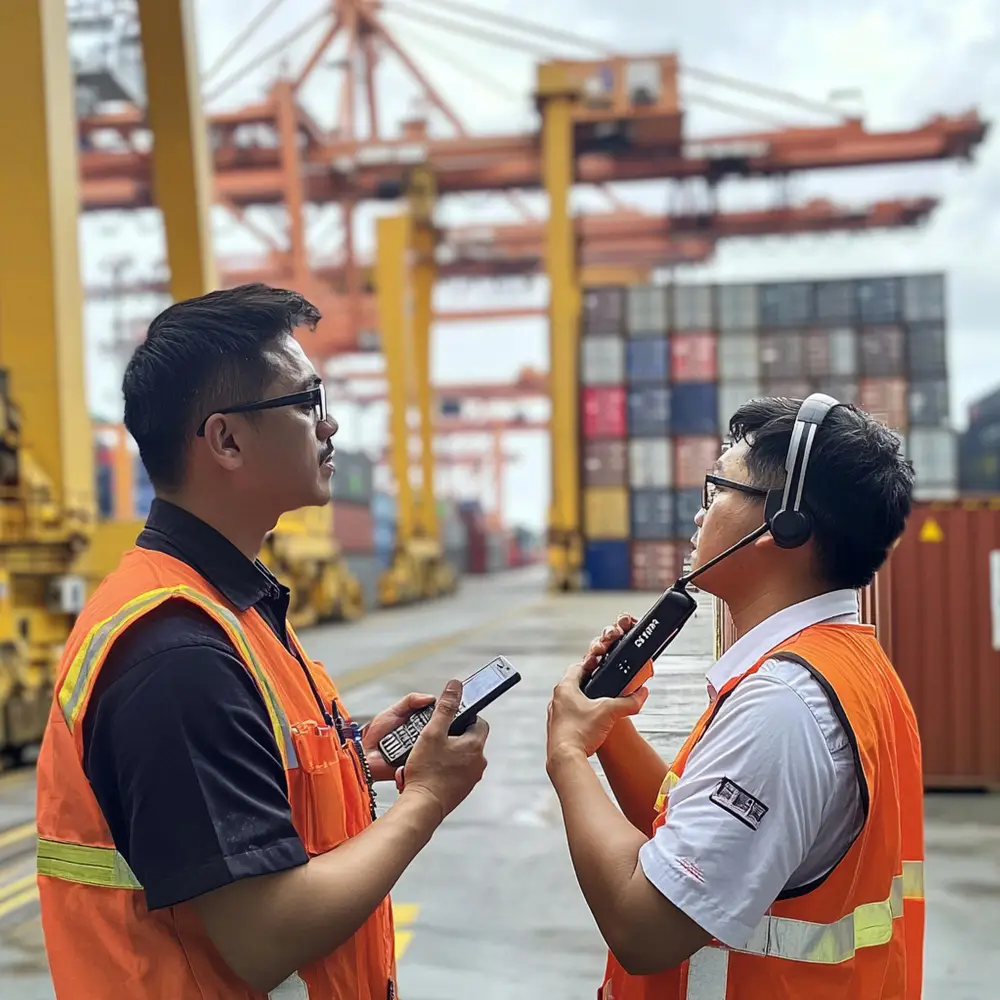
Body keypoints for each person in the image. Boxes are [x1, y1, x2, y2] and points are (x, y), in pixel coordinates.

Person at [35, 284, 489, 999]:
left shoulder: (228, 606)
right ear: (226, 439)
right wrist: (427, 796)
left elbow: (241, 780)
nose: (330, 425)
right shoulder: (177, 652)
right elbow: (264, 935)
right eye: (307, 402)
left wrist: (351, 758)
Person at [545, 395, 925, 1000]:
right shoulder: (846, 664)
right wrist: (608, 730)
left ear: (785, 523)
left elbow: (644, 928)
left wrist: (566, 755)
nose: (699, 515)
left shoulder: (784, 703)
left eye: (717, 489)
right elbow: (698, 843)